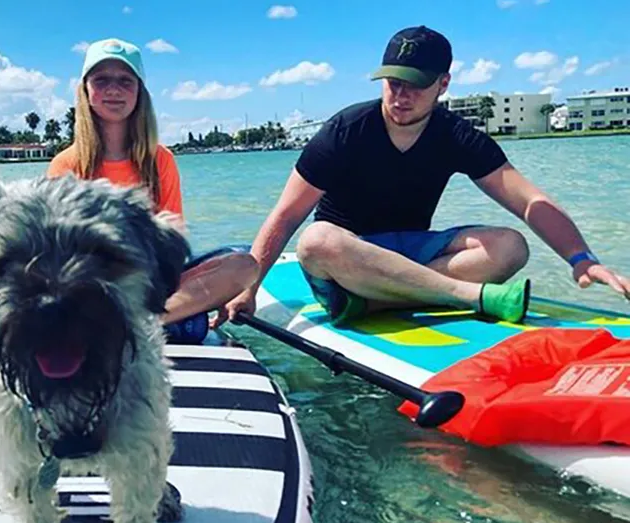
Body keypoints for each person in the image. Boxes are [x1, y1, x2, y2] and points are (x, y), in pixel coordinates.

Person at [224, 25, 630, 326]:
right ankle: (469, 296)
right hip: (350, 261)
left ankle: (378, 303)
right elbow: (285, 216)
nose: (401, 96)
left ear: (443, 84)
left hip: (410, 253)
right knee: (315, 242)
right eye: (394, 83)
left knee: (510, 247)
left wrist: (581, 258)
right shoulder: (345, 131)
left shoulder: (455, 135)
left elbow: (528, 201)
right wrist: (248, 287)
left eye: (416, 85)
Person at [47, 38, 258, 341]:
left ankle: (131, 324)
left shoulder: (161, 160)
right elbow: (59, 254)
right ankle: (147, 320)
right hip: (92, 287)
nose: (114, 89)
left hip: (152, 284)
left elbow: (173, 242)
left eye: (125, 81)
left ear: (140, 93)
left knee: (243, 264)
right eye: (101, 80)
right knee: (191, 326)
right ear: (85, 91)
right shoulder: (65, 164)